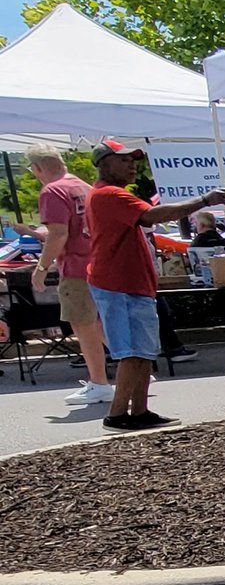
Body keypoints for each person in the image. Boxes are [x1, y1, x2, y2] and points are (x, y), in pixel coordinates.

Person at [85, 139, 225, 431]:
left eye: (133, 160)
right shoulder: (109, 195)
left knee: (144, 351)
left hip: (131, 285)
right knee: (132, 351)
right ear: (104, 164)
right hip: (118, 285)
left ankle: (138, 411)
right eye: (124, 160)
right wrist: (204, 201)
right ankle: (117, 415)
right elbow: (154, 215)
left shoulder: (109, 195)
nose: (132, 165)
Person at [24, 143, 112, 407]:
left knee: (83, 325)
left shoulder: (52, 191)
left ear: (37, 168)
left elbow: (59, 233)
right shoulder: (84, 186)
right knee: (99, 323)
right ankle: (134, 366)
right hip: (99, 263)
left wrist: (41, 269)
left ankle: (98, 383)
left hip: (76, 266)